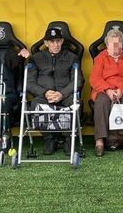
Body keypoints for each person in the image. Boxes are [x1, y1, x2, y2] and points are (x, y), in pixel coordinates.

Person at [26, 27, 82, 156]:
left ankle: (69, 139)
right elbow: (29, 83)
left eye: (58, 41)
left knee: (75, 103)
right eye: (52, 42)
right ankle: (49, 139)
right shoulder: (36, 58)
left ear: (62, 41)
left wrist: (61, 94)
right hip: (44, 95)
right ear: (46, 43)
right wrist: (45, 92)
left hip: (65, 95)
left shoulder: (72, 57)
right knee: (35, 104)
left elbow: (78, 81)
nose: (56, 44)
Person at [89, 29, 123, 157]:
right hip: (104, 90)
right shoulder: (100, 58)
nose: (115, 46)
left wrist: (121, 89)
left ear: (122, 45)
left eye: (118, 43)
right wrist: (107, 89)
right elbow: (94, 78)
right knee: (101, 101)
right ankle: (99, 141)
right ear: (107, 45)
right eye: (112, 43)